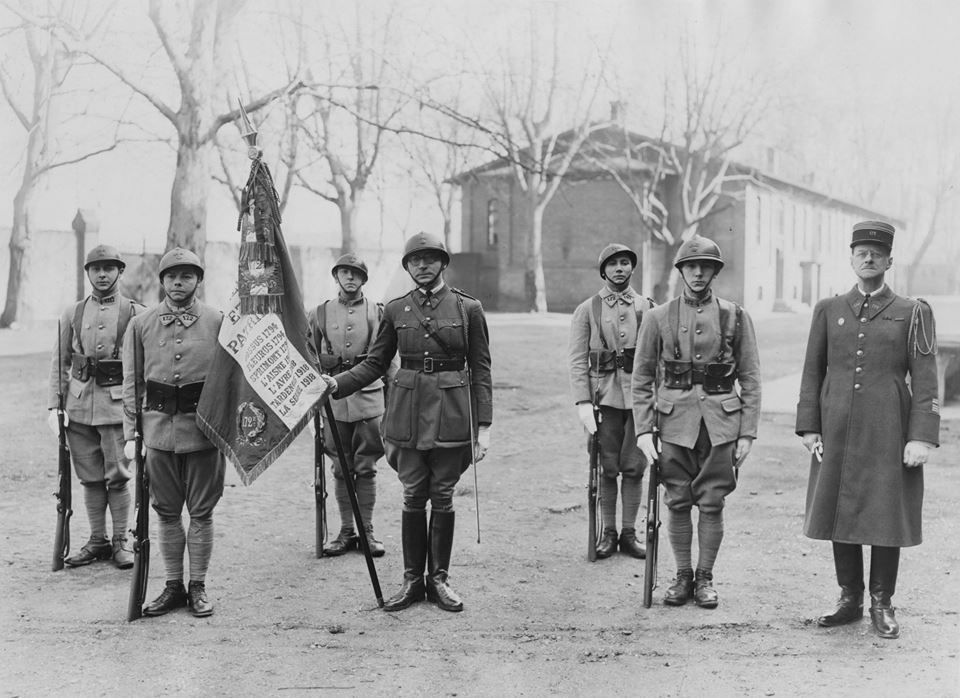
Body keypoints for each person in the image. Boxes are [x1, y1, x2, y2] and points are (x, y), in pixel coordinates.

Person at [323, 232, 492, 613]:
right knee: (414, 493)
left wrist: (484, 427)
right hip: (407, 413)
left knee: (443, 494)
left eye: (430, 259)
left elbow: (481, 369)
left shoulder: (469, 308)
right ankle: (413, 579)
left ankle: (440, 580)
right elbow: (375, 363)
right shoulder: (396, 310)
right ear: (407, 266)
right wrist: (336, 383)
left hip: (452, 413)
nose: (422, 266)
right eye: (415, 260)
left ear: (443, 263)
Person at [796, 220, 939, 640]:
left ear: (890, 260)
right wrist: (809, 427)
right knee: (839, 508)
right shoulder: (829, 309)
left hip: (888, 428)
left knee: (884, 511)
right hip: (836, 427)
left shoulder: (913, 312)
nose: (868, 257)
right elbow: (811, 372)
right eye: (861, 251)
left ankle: (882, 602)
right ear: (852, 257)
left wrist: (920, 436)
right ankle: (849, 599)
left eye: (876, 252)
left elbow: (927, 379)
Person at [633, 235, 761, 608]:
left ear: (716, 272)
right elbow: (641, 377)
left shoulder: (735, 316)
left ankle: (705, 577)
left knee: (712, 502)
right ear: (681, 270)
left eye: (707, 266)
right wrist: (643, 429)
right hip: (674, 422)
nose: (699, 273)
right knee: (676, 501)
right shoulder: (658, 318)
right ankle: (683, 575)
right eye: (692, 266)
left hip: (722, 423)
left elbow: (751, 377)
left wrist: (747, 433)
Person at [122, 247, 224, 618]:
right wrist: (131, 436)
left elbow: (230, 381)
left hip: (203, 432)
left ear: (198, 280)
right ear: (161, 280)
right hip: (158, 432)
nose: (178, 283)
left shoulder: (217, 321)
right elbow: (133, 383)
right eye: (171, 276)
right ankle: (172, 586)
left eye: (186, 276)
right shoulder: (142, 323)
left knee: (201, 512)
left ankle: (197, 585)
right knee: (165, 513)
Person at [47, 245, 142, 569]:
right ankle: (97, 540)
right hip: (78, 407)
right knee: (89, 478)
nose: (102, 274)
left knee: (117, 476)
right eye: (96, 268)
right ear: (87, 272)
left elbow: (142, 369)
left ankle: (120, 541)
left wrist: (137, 413)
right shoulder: (72, 312)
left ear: (120, 271)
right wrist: (53, 407)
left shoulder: (134, 312)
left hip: (116, 409)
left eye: (109, 268)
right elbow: (59, 363)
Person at [568, 243, 654, 559]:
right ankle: (609, 532)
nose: (619, 269)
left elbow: (656, 359)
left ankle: (630, 533)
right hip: (603, 399)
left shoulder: (647, 308)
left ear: (632, 269)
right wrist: (582, 403)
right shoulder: (587, 309)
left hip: (640, 400)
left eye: (625, 263)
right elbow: (577, 360)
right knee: (606, 468)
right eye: (613, 264)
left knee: (634, 467)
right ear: (603, 270)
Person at [308, 253, 397, 558]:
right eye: (344, 272)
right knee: (340, 467)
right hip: (332, 400)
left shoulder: (378, 313)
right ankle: (346, 529)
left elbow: (389, 360)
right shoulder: (319, 313)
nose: (350, 278)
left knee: (367, 466)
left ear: (363, 279)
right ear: (336, 277)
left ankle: (367, 529)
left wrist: (394, 398)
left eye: (356, 274)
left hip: (369, 397)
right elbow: (308, 356)